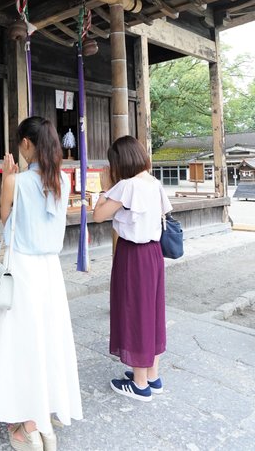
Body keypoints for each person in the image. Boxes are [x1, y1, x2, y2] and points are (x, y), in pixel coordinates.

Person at [0, 116, 83, 451]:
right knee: (47, 340)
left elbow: (5, 223)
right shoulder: (63, 181)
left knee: (22, 343)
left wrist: (5, 179)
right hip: (51, 271)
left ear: (26, 144)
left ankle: (27, 427)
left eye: (20, 143)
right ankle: (45, 424)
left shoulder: (17, 181)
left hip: (22, 269)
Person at [93, 135, 172, 402]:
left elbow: (98, 215)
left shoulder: (127, 186)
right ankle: (152, 375)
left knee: (136, 312)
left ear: (120, 161)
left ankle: (139, 385)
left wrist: (104, 188)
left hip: (134, 255)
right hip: (154, 254)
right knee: (151, 311)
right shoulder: (154, 182)